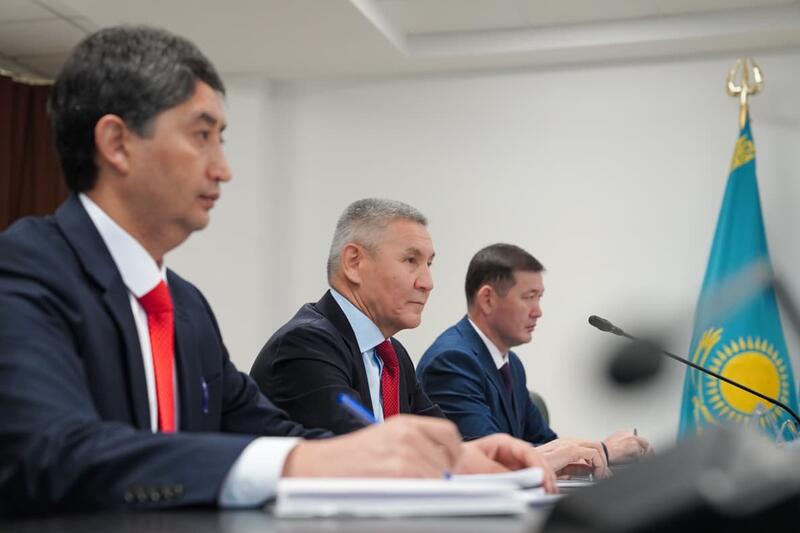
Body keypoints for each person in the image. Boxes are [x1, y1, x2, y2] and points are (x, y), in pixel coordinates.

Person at [0, 27, 557, 515]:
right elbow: (52, 453)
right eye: (201, 135)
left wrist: (446, 459)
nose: (223, 168)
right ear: (117, 143)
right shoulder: (25, 273)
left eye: (221, 139)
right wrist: (302, 461)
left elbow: (263, 427)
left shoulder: (184, 306)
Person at [251, 200, 608, 479]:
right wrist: (522, 462)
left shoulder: (392, 355)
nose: (427, 283)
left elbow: (452, 443)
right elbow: (370, 453)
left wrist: (530, 457)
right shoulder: (307, 345)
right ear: (354, 263)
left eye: (429, 264)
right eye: (411, 260)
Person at [417, 243, 652, 467]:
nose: (538, 312)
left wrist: (593, 454)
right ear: (487, 300)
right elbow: (490, 457)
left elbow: (545, 442)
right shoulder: (452, 361)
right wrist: (604, 450)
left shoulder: (511, 364)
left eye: (539, 298)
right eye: (529, 297)